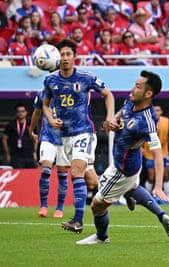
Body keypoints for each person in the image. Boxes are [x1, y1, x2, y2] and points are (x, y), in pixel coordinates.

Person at [76, 71, 169, 245]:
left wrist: (159, 186)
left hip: (123, 169)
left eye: (138, 86)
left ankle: (102, 237)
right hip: (129, 162)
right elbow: (121, 113)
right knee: (131, 187)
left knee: (96, 205)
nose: (132, 89)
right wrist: (112, 121)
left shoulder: (146, 122)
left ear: (148, 94)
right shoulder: (131, 100)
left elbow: (158, 154)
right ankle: (161, 214)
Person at [42, 39, 115, 234]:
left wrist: (109, 118)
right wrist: (49, 118)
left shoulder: (86, 77)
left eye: (68, 54)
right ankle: (125, 192)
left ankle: (78, 220)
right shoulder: (51, 80)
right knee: (92, 181)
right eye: (62, 55)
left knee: (75, 172)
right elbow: (45, 104)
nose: (65, 58)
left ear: (75, 57)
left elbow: (108, 95)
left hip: (84, 132)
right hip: (64, 136)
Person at [29, 90, 68, 218]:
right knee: (45, 170)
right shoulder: (43, 94)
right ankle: (44, 206)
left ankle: (59, 208)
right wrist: (31, 130)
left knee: (62, 174)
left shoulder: (69, 93)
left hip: (64, 139)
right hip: (48, 137)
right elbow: (37, 112)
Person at [141, 105, 169, 201]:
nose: (156, 112)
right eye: (154, 110)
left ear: (161, 111)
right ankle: (148, 198)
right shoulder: (145, 122)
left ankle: (168, 197)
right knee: (151, 177)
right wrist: (141, 148)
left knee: (166, 176)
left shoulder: (167, 121)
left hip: (164, 153)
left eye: (158, 110)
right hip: (149, 153)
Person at [2, 103, 37, 169]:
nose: (21, 113)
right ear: (16, 113)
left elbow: (36, 139)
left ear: (26, 112)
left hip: (29, 156)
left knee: (31, 175)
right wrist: (7, 154)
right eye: (19, 111)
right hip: (16, 156)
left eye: (23, 111)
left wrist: (35, 152)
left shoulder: (31, 123)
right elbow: (4, 139)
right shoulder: (11, 124)